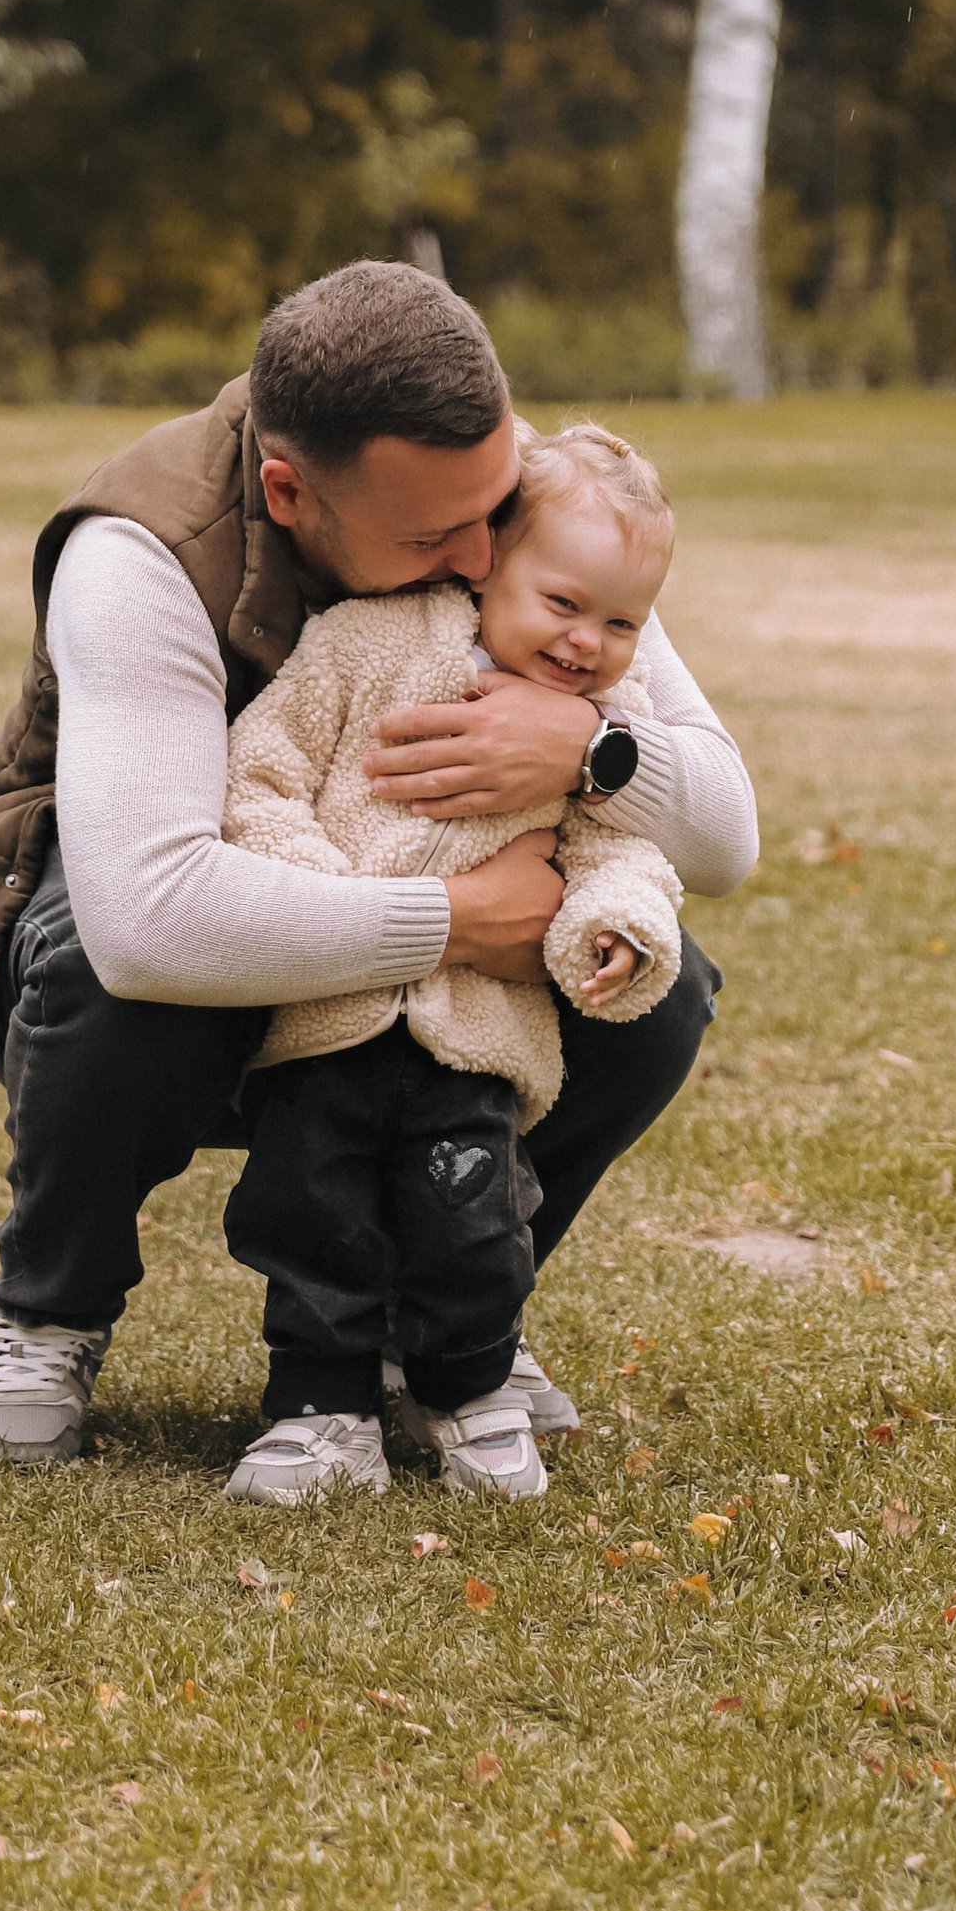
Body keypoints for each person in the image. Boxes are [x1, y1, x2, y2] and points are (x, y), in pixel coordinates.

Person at [0, 258, 759, 1471]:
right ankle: (48, 1309)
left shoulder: (518, 496)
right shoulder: (139, 552)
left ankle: (440, 1317)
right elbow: (147, 921)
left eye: (490, 510)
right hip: (145, 951)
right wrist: (451, 920)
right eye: (432, 534)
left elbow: (724, 838)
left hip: (425, 981)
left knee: (656, 988)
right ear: (290, 494)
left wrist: (591, 743)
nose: (474, 555)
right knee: (106, 965)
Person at [218, 421, 688, 1506]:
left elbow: (626, 851)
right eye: (563, 605)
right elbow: (258, 780)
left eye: (621, 623)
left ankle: (471, 1396)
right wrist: (332, 904)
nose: (584, 644)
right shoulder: (361, 646)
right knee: (309, 1216)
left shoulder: (603, 721)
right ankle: (317, 1412)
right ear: (489, 564)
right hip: (325, 1018)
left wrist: (610, 926)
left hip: (477, 1027)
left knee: (474, 1219)